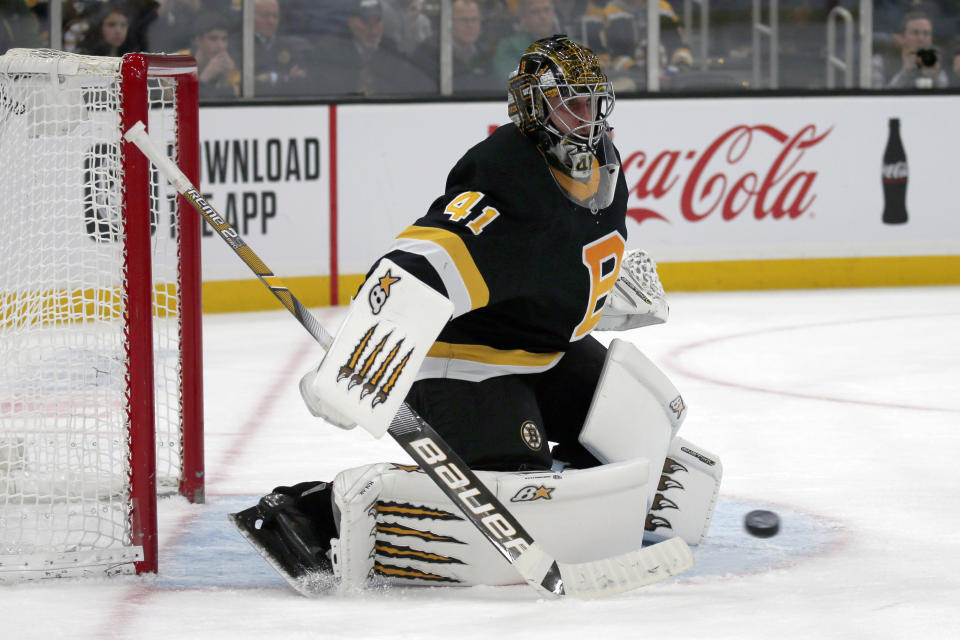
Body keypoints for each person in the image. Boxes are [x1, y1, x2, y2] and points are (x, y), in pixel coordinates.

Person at [231, 35, 722, 593]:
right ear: (534, 108)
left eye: (592, 102)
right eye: (569, 103)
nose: (586, 118)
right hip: (461, 366)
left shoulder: (603, 164)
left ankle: (593, 512)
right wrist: (356, 358)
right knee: (520, 487)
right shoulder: (504, 179)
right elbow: (417, 263)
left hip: (541, 352)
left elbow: (552, 260)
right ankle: (315, 516)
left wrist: (601, 298)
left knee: (640, 424)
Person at [312, 0, 433, 96]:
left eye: (377, 22)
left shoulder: (391, 50)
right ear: (351, 22)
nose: (374, 31)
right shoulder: (330, 51)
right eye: (367, 23)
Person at [411, 0, 499, 93]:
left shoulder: (485, 55)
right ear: (448, 23)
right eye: (463, 20)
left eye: (474, 19)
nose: (470, 25)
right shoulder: (428, 52)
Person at [491, 0, 558, 81]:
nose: (543, 16)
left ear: (554, 13)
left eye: (547, 10)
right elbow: (512, 82)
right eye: (535, 12)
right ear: (524, 17)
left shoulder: (571, 44)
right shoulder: (509, 46)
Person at [183, 11, 239, 99]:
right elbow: (178, 101)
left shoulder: (231, 67)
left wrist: (225, 80)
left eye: (224, 39)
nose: (220, 46)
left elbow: (234, 106)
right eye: (213, 39)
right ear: (198, 40)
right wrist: (205, 78)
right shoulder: (177, 62)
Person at [886, 10, 949, 88]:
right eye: (915, 33)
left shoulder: (941, 61)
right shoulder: (883, 62)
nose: (921, 39)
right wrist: (904, 73)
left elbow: (948, 96)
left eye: (926, 33)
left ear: (931, 39)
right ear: (902, 37)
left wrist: (935, 77)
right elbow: (879, 97)